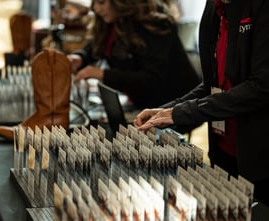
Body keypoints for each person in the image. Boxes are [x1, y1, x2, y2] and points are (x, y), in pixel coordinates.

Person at [134, 0, 269, 206]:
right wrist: (169, 110)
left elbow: (260, 87)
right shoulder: (214, 7)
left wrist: (183, 112)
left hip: (259, 157)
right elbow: (212, 83)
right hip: (223, 148)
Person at [67, 0, 200, 109]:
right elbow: (96, 45)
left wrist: (102, 74)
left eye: (101, 2)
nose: (96, 8)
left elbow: (151, 78)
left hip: (175, 103)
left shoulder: (154, 23)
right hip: (144, 102)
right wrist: (80, 57)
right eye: (94, 3)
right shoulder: (111, 20)